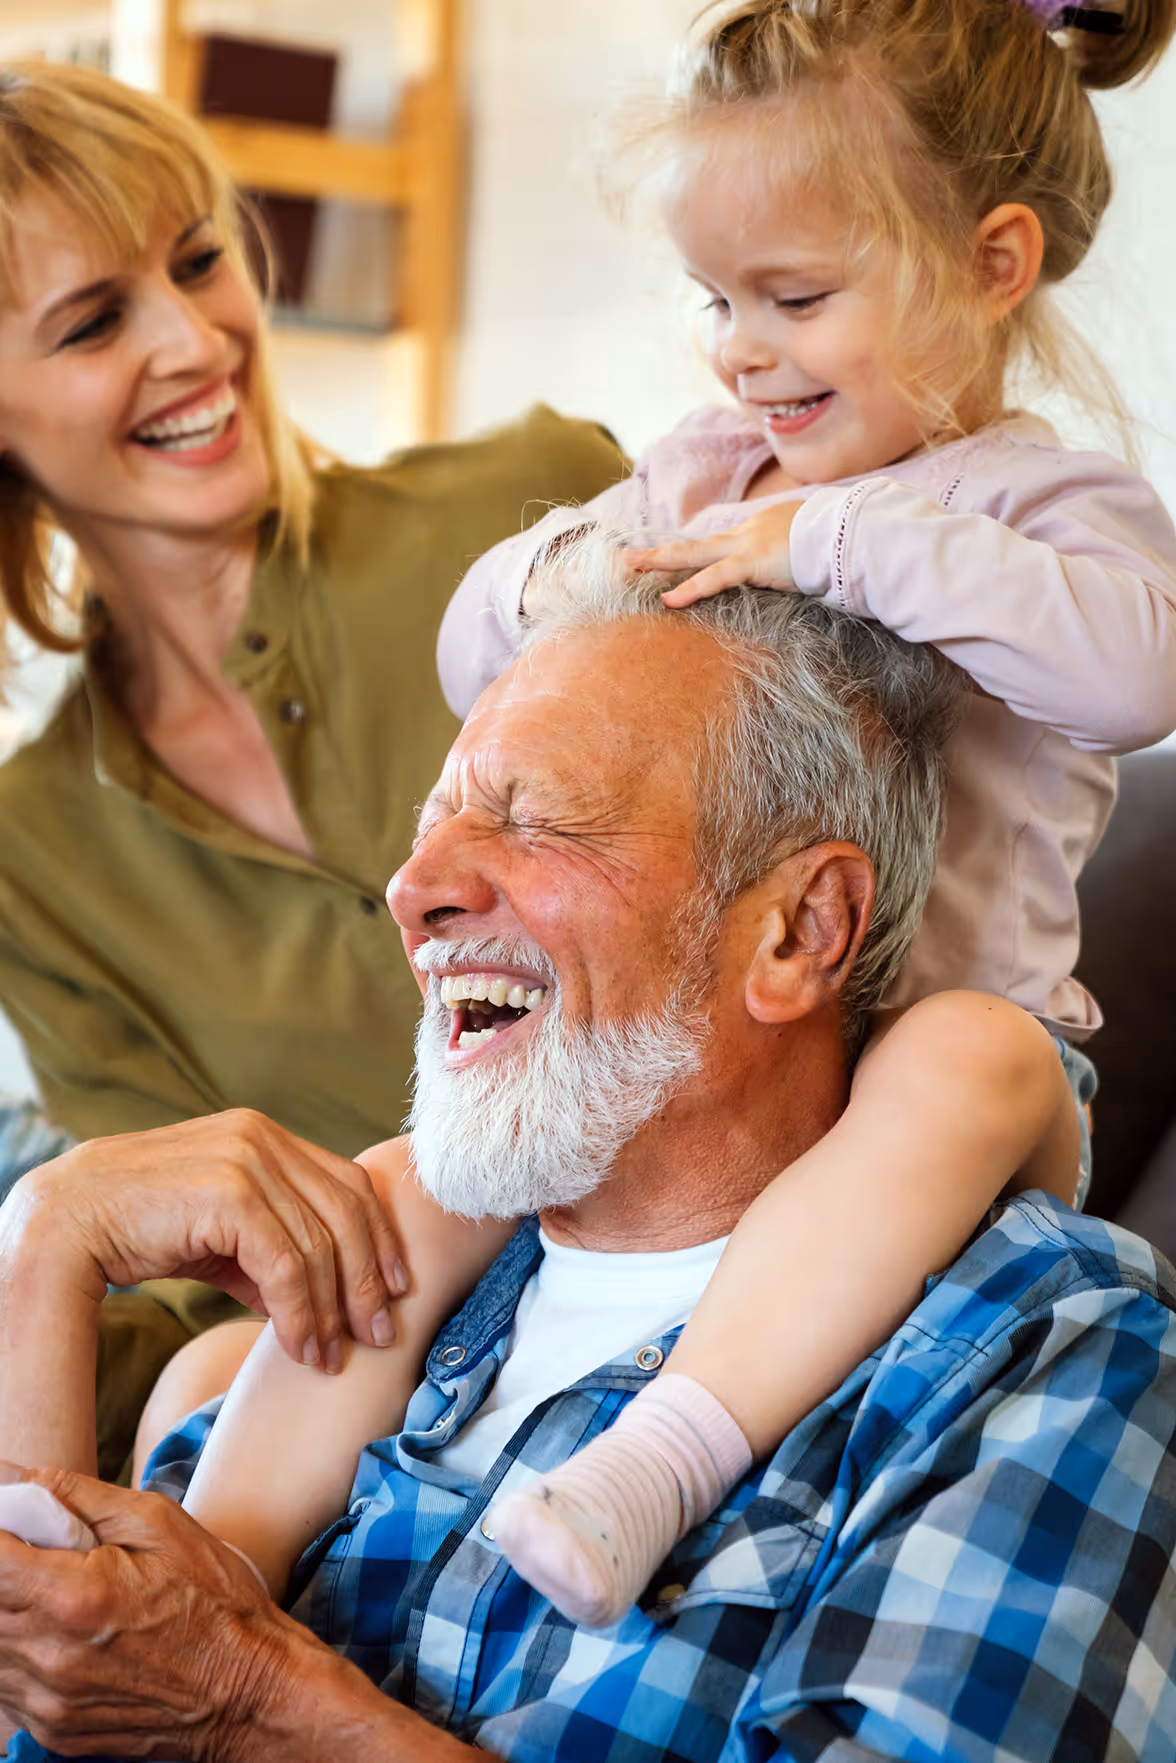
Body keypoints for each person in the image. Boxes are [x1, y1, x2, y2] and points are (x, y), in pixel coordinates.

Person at [2, 569, 1176, 1761]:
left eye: (534, 817)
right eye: (431, 831)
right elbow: (54, 1714)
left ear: (800, 928)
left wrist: (249, 1703)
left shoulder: (1051, 1351)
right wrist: (45, 1248)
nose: (413, 894)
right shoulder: (370, 1300)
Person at [431, 0, 1176, 1621]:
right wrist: (587, 571)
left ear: (990, 262)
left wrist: (831, 541)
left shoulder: (1042, 509)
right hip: (714, 1061)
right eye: (715, 298)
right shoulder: (705, 471)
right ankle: (204, 1541)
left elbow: (1137, 678)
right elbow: (464, 644)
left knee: (961, 1050)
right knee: (410, 1176)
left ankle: (664, 1458)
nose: (739, 348)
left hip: (959, 1090)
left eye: (794, 297)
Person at [0, 61, 623, 1475]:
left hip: (714, 1251)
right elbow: (173, 1286)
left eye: (200, 259)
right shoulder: (29, 848)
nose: (195, 338)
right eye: (95, 320)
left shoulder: (523, 503)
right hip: (376, 1397)